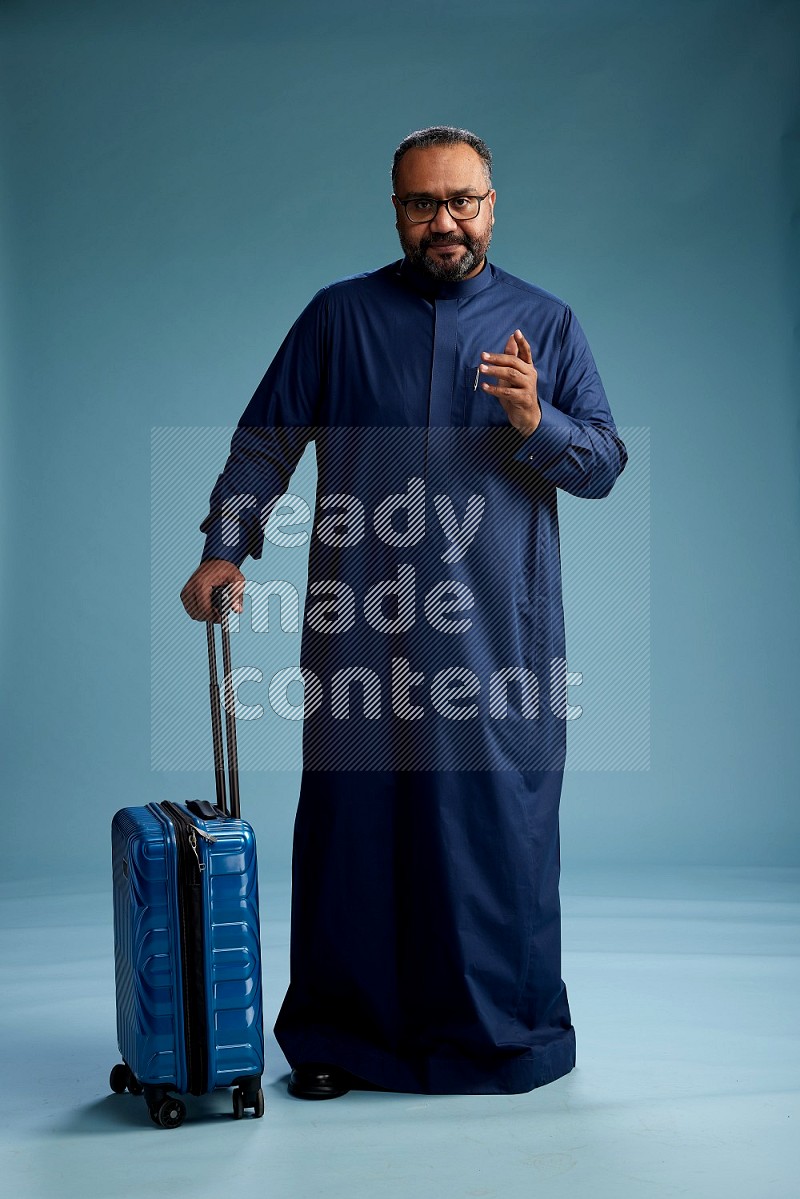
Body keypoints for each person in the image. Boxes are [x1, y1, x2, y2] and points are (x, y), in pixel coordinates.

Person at [180, 126, 628, 1099]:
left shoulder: (543, 323)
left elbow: (601, 460)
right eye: (422, 203)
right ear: (395, 209)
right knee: (358, 831)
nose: (443, 222)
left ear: (492, 204)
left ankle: (502, 1037)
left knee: (490, 836)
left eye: (461, 200)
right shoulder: (338, 319)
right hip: (361, 627)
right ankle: (346, 1037)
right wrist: (223, 549)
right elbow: (265, 443)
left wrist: (534, 422)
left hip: (495, 639)